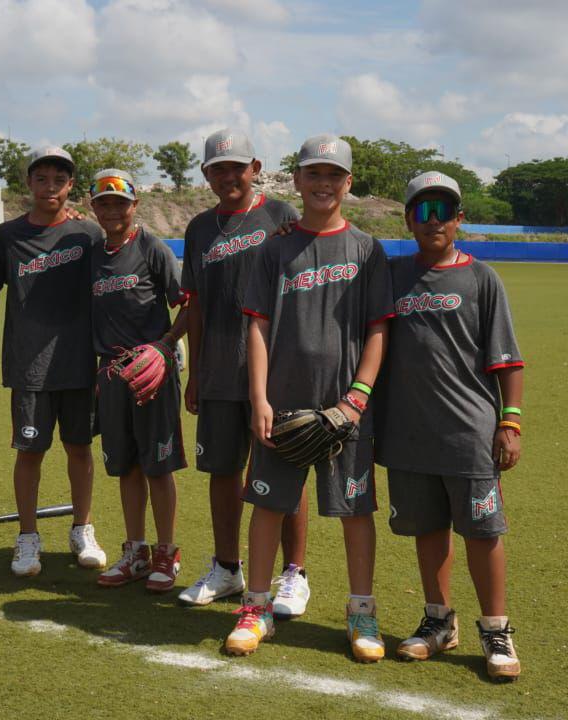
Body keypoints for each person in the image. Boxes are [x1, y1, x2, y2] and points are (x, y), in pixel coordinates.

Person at [225, 135, 393, 661]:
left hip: (347, 408)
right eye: (312, 174)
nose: (323, 184)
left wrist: (357, 398)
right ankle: (255, 609)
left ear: (348, 182)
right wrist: (259, 398)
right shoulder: (274, 249)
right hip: (284, 404)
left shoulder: (366, 248)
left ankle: (361, 613)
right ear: (296, 181)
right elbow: (257, 328)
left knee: (355, 510)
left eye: (333, 175)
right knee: (268, 505)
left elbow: (378, 329)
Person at [374, 171, 525, 680]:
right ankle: (439, 621)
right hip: (408, 434)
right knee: (428, 529)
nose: (433, 220)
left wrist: (511, 423)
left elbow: (507, 360)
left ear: (460, 218)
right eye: (422, 210)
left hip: (469, 433)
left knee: (483, 531)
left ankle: (496, 631)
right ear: (409, 219)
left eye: (443, 210)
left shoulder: (481, 278)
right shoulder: (391, 274)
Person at [178, 129, 313, 615]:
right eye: (218, 168)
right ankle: (227, 568)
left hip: (275, 374)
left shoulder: (282, 215)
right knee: (221, 471)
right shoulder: (198, 229)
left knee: (283, 472)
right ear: (207, 175)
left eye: (237, 166)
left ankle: (293, 574)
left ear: (255, 168)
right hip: (216, 370)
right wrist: (193, 373)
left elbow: (303, 291)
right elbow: (193, 305)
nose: (228, 176)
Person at [0, 147, 106, 576]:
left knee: (80, 448)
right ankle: (28, 537)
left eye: (60, 179)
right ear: (29, 183)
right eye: (42, 179)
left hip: (78, 363)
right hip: (28, 365)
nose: (50, 186)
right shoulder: (7, 236)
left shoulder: (88, 235)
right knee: (30, 453)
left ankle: (82, 528)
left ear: (71, 186)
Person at [84, 169, 190, 592]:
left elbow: (187, 306)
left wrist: (165, 346)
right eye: (104, 203)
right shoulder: (91, 253)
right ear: (94, 207)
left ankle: (167, 553)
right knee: (126, 466)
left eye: (120, 202)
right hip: (111, 373)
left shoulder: (152, 248)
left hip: (153, 372)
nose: (112, 210)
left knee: (158, 466)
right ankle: (136, 552)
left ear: (135, 205)